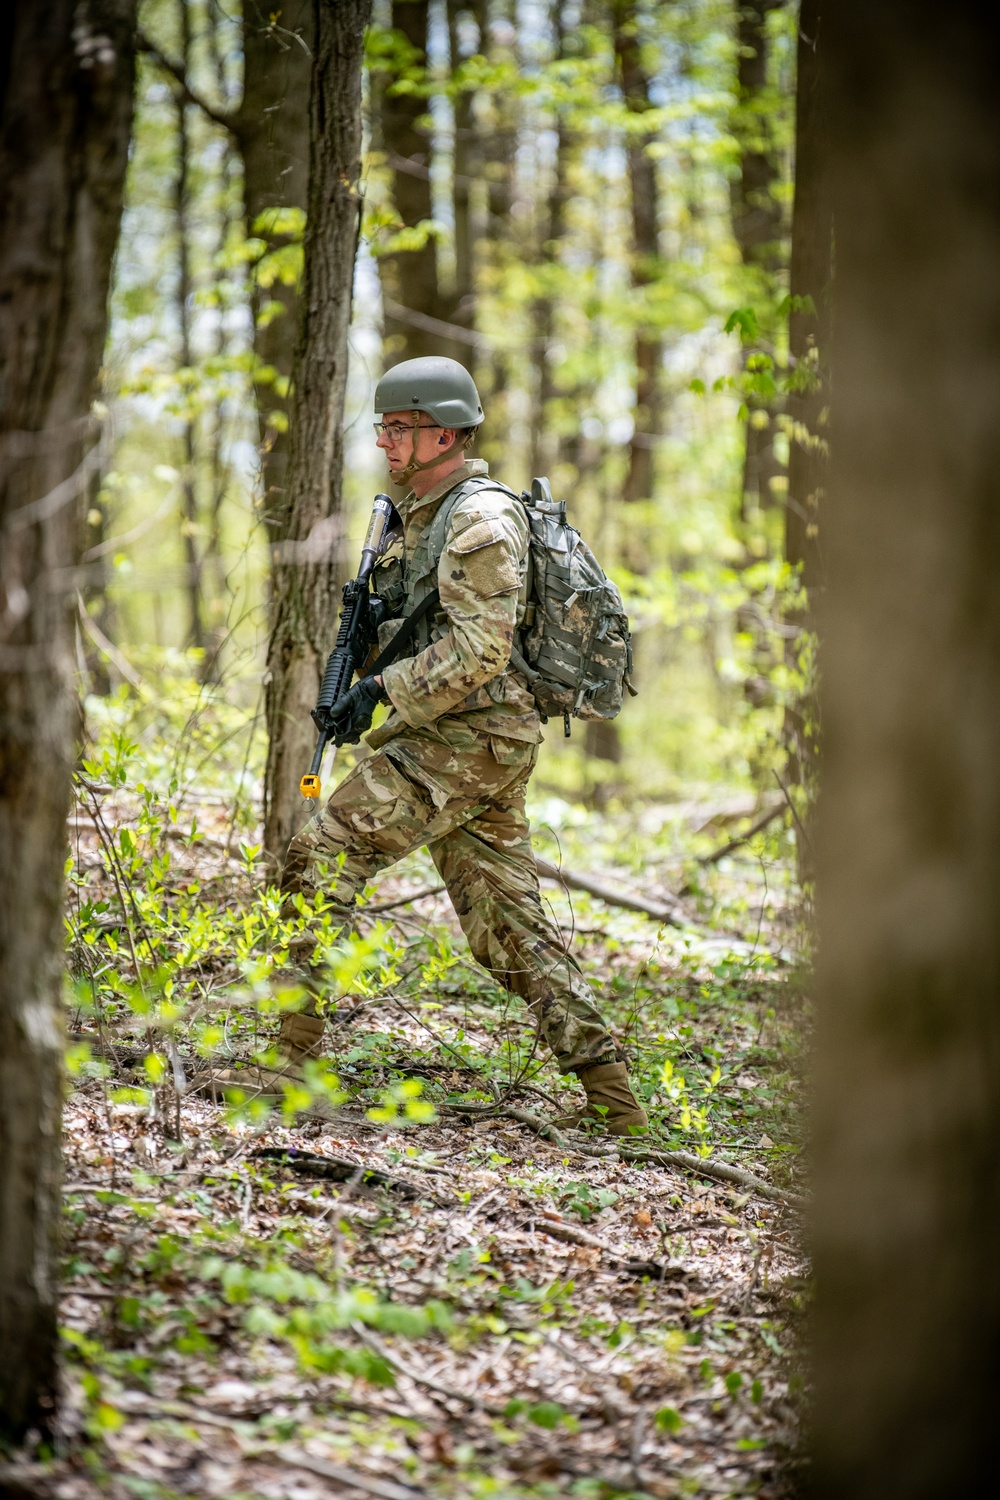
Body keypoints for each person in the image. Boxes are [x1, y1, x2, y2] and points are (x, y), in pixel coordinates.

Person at [269, 357, 646, 1134]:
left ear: (443, 432)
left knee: (320, 857)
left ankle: (285, 1070)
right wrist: (365, 663)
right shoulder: (418, 516)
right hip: (468, 741)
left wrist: (380, 694)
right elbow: (432, 630)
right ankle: (616, 1107)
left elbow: (479, 650)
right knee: (507, 930)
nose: (384, 441)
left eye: (398, 429)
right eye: (382, 428)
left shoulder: (476, 520)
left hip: (467, 740)